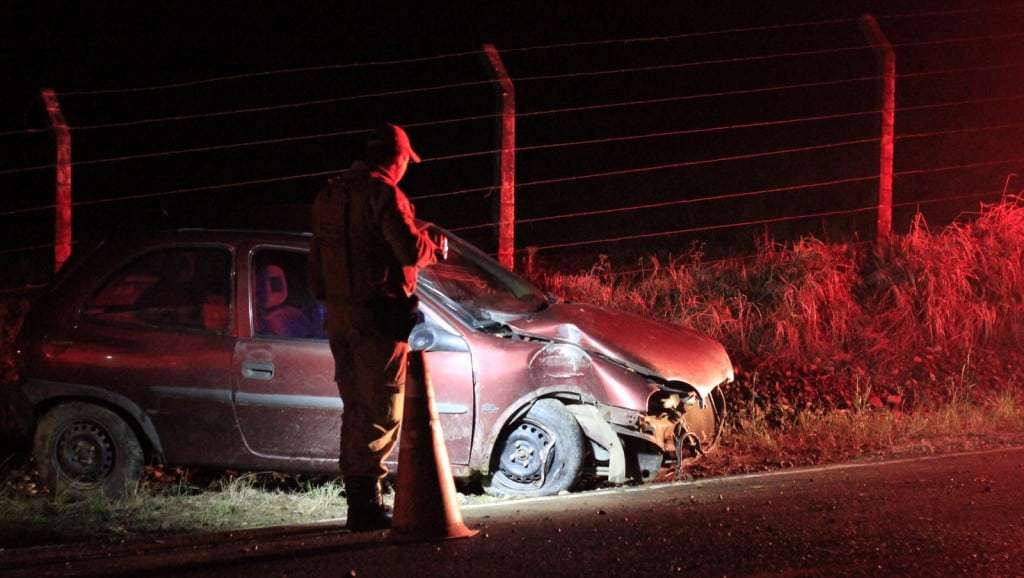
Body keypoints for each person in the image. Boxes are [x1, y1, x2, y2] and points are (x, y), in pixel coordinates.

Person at [309, 124, 442, 532]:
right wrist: (432, 243)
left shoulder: (330, 194)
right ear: (397, 157)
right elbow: (408, 249)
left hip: (339, 316)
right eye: (406, 161)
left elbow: (315, 255)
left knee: (355, 406)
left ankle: (359, 499)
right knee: (383, 409)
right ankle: (367, 505)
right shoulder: (384, 194)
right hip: (377, 316)